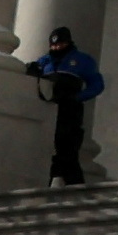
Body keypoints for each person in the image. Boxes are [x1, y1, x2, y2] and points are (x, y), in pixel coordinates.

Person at [27, 25, 105, 188]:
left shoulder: (82, 60)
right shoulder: (45, 60)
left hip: (70, 109)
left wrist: (78, 97)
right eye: (54, 45)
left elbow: (97, 84)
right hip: (50, 109)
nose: (57, 48)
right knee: (51, 147)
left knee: (68, 148)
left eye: (60, 45)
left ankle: (72, 184)